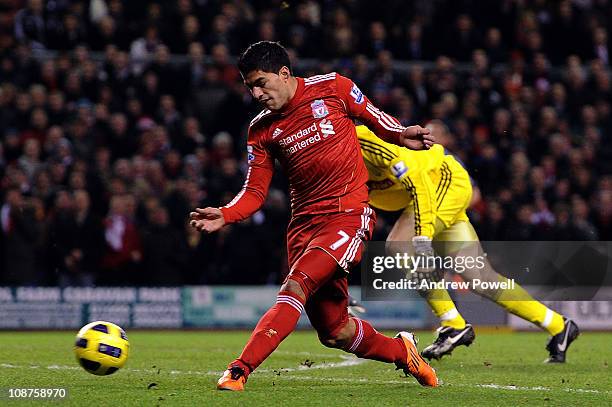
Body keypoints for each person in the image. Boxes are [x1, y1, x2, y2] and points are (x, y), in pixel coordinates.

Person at [189, 41, 439, 390]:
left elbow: (374, 118)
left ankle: (239, 370)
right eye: (250, 87)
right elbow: (256, 191)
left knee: (295, 286)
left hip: (348, 215)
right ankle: (403, 352)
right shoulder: (260, 131)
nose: (257, 93)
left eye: (262, 82)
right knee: (336, 332)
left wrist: (401, 133)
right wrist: (227, 214)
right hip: (304, 228)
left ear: (285, 74)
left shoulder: (334, 88)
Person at [355, 123, 579, 363]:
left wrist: (423, 236)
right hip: (435, 192)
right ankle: (559, 326)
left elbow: (418, 185)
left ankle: (453, 323)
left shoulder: (361, 140)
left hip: (443, 185)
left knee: (399, 244)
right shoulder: (324, 161)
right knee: (481, 278)